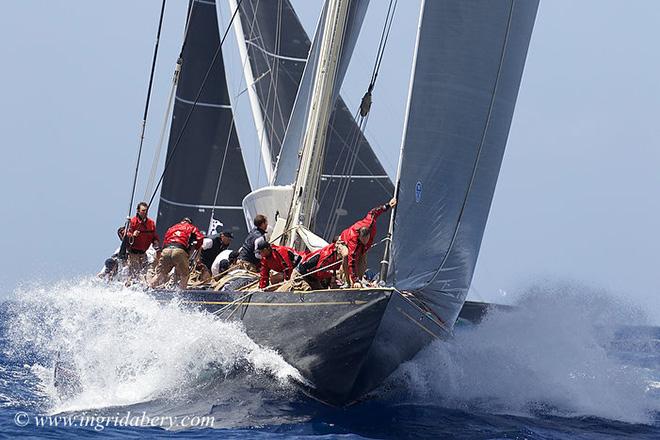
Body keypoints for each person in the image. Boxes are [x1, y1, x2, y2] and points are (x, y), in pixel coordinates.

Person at [337, 198, 396, 288]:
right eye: (362, 240)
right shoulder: (354, 240)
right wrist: (354, 280)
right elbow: (351, 261)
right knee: (346, 255)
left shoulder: (370, 222)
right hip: (344, 241)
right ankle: (348, 282)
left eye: (366, 240)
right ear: (359, 236)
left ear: (369, 235)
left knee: (363, 259)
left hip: (360, 245)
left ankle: (359, 281)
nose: (365, 242)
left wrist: (387, 205)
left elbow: (374, 212)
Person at [150, 217, 205, 289]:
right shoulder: (191, 227)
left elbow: (165, 240)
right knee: (185, 275)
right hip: (179, 250)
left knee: (160, 274)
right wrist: (197, 248)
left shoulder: (172, 228)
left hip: (166, 250)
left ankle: (148, 289)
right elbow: (200, 238)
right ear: (190, 223)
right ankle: (181, 296)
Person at [124, 202, 161, 278]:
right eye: (143, 210)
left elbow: (154, 237)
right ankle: (129, 286)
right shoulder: (133, 222)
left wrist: (156, 244)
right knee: (134, 274)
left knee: (144, 273)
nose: (145, 212)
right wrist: (132, 235)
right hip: (133, 253)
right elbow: (125, 233)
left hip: (143, 253)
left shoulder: (151, 223)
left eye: (146, 210)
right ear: (138, 211)